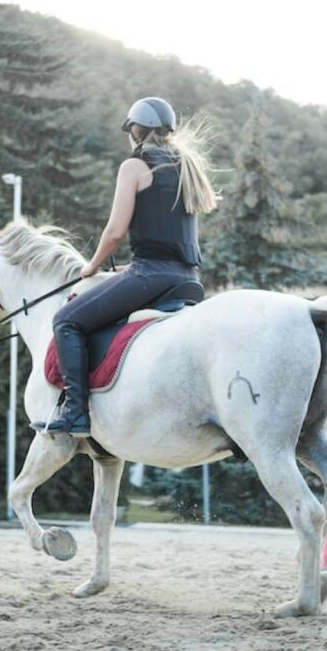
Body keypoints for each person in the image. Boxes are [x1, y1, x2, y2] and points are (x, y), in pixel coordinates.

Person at [44, 96, 219, 438]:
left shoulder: (135, 165)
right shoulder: (185, 165)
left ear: (135, 131)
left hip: (151, 276)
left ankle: (76, 413)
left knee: (65, 321)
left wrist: (91, 267)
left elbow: (114, 232)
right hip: (187, 279)